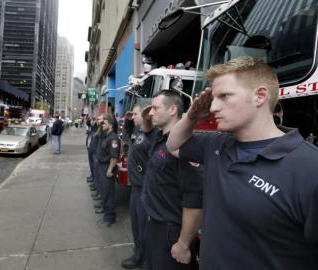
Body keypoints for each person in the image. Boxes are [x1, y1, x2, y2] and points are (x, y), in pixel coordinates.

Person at [167, 56, 318, 269]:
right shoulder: (215, 145)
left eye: (224, 96)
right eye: (213, 98)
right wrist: (191, 116)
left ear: (260, 96)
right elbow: (173, 145)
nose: (213, 108)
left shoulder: (310, 168)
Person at [141, 90, 203, 270]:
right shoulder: (160, 137)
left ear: (172, 110)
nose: (151, 112)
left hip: (170, 232)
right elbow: (145, 129)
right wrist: (147, 115)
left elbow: (195, 201)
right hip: (154, 223)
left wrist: (183, 244)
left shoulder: (185, 147)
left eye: (155, 108)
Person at [121, 103, 153, 269]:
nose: (132, 117)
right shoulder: (137, 131)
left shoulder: (152, 135)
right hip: (135, 188)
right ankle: (137, 254)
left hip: (144, 189)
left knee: (144, 228)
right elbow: (126, 133)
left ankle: (146, 261)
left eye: (135, 114)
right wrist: (129, 119)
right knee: (135, 225)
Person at [96, 113, 120, 227]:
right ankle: (106, 212)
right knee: (104, 192)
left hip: (107, 167)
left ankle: (110, 217)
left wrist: (110, 170)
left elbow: (114, 157)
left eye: (104, 122)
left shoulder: (113, 138)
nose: (102, 124)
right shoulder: (105, 135)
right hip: (101, 166)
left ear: (110, 124)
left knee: (108, 193)